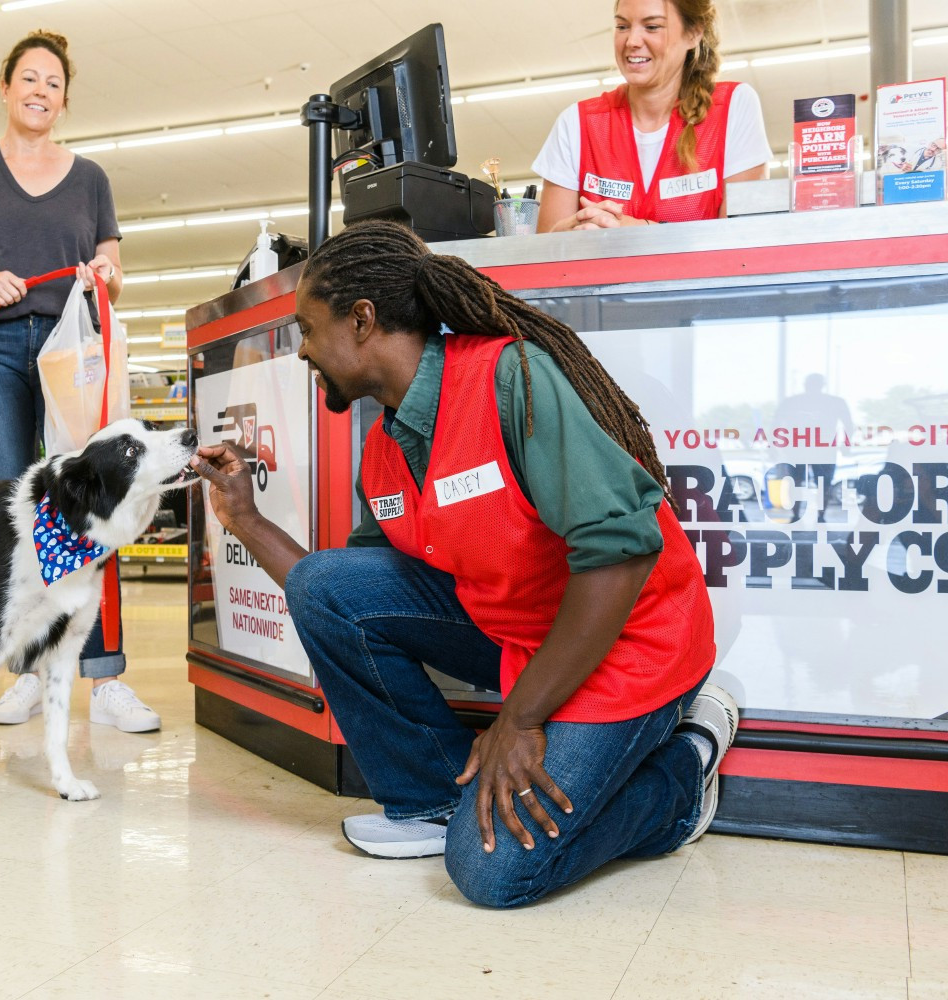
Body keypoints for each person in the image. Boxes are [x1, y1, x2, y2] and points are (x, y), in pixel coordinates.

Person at [190, 221, 738, 908]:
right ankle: (434, 799)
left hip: (630, 644)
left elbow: (623, 553)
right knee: (328, 586)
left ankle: (683, 778)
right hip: (525, 637)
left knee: (493, 873)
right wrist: (245, 518)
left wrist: (522, 719)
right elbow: (334, 598)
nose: (302, 351)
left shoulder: (510, 379)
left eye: (307, 328)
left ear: (362, 321)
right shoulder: (387, 451)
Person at [0, 29, 159, 733]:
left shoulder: (90, 180)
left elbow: (113, 269)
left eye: (54, 83)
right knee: (18, 508)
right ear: (5, 87)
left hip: (68, 356)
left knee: (94, 501)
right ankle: (25, 672)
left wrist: (104, 275)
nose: (40, 91)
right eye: (29, 78)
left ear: (65, 100)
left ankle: (104, 676)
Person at [534, 0, 770, 232]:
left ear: (694, 33)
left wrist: (638, 232)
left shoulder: (732, 107)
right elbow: (544, 255)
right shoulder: (576, 123)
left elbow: (744, 246)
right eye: (622, 26)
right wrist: (567, 235)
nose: (632, 41)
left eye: (652, 26)